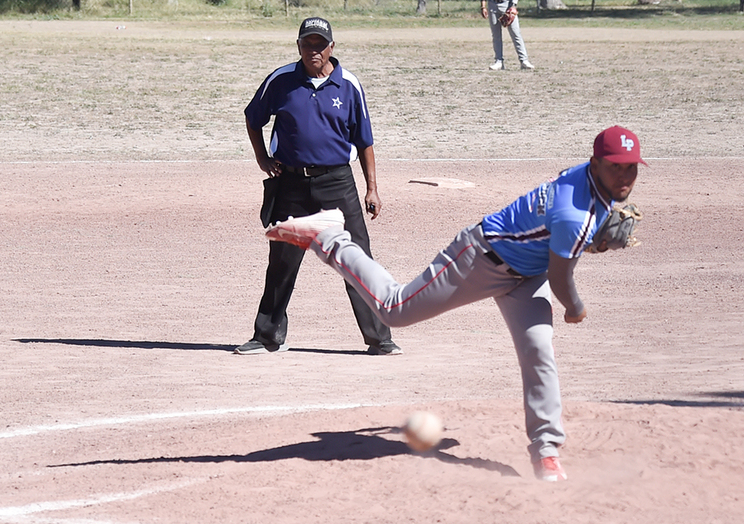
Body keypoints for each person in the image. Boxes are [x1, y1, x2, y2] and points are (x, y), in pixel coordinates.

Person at [258, 126, 645, 483]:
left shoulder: (585, 181)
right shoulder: (574, 214)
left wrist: (588, 237)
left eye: (632, 168)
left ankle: (546, 451)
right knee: (395, 310)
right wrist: (575, 308)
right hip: (480, 257)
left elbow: (560, 239)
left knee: (539, 353)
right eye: (616, 168)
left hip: (527, 276)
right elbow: (562, 280)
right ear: (595, 164)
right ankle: (330, 237)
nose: (625, 177)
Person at [236, 16, 400, 357]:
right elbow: (253, 119)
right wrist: (262, 159)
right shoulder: (281, 80)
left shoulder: (349, 85)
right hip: (291, 183)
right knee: (282, 261)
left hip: (337, 182)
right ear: (298, 46)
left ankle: (379, 338)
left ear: (331, 47)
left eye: (320, 44)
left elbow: (365, 140)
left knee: (356, 260)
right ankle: (267, 336)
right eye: (307, 44)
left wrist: (372, 188)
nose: (314, 50)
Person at [484, 0, 532, 71]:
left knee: (515, 33)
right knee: (496, 35)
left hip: (507, 4)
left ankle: (524, 60)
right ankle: (499, 61)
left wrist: (513, 5)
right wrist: (483, 6)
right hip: (492, 4)